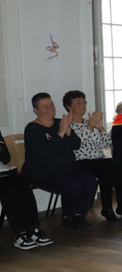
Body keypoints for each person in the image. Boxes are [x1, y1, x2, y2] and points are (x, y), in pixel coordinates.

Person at [22, 93, 97, 232]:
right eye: (45, 107)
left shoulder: (59, 123)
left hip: (66, 166)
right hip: (41, 169)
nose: (50, 108)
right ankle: (67, 218)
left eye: (51, 104)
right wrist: (61, 132)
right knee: (72, 184)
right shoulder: (32, 129)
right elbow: (47, 153)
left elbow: (76, 144)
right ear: (36, 110)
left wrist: (68, 131)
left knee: (90, 179)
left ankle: (80, 216)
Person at [63, 90, 122, 222]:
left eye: (83, 102)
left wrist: (101, 128)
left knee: (118, 165)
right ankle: (107, 208)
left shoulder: (89, 121)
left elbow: (107, 144)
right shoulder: (67, 124)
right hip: (81, 161)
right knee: (107, 170)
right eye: (77, 102)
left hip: (98, 159)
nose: (82, 105)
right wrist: (90, 126)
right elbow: (78, 143)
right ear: (68, 106)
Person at [0, 130, 53, 249]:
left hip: (4, 171)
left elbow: (6, 158)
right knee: (8, 191)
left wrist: (1, 150)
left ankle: (33, 229)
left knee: (23, 185)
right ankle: (19, 233)